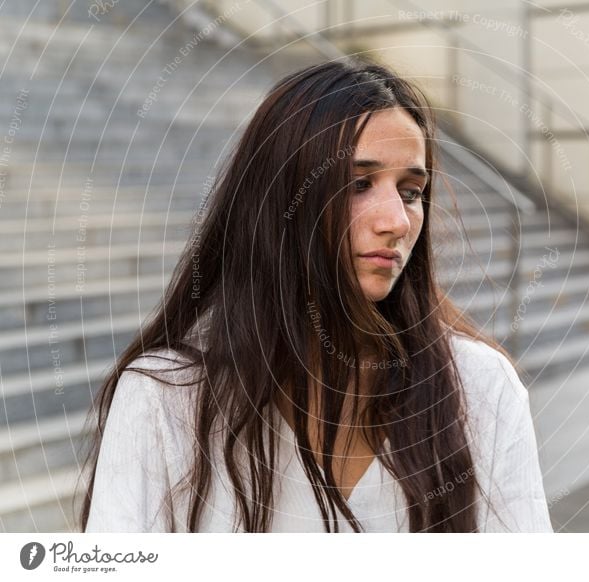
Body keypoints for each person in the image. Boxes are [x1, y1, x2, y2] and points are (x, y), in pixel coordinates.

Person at [79, 57, 553, 533]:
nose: (397, 221)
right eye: (359, 183)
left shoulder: (480, 388)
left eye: (410, 190)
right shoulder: (164, 400)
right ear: (282, 202)